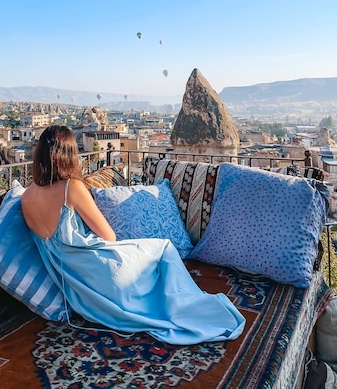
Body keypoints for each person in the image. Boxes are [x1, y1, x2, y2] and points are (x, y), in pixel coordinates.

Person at [21, 125, 245, 345]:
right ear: (68, 155)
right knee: (164, 247)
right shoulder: (71, 188)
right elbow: (108, 236)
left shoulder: (26, 197)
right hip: (103, 271)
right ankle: (184, 301)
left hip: (80, 293)